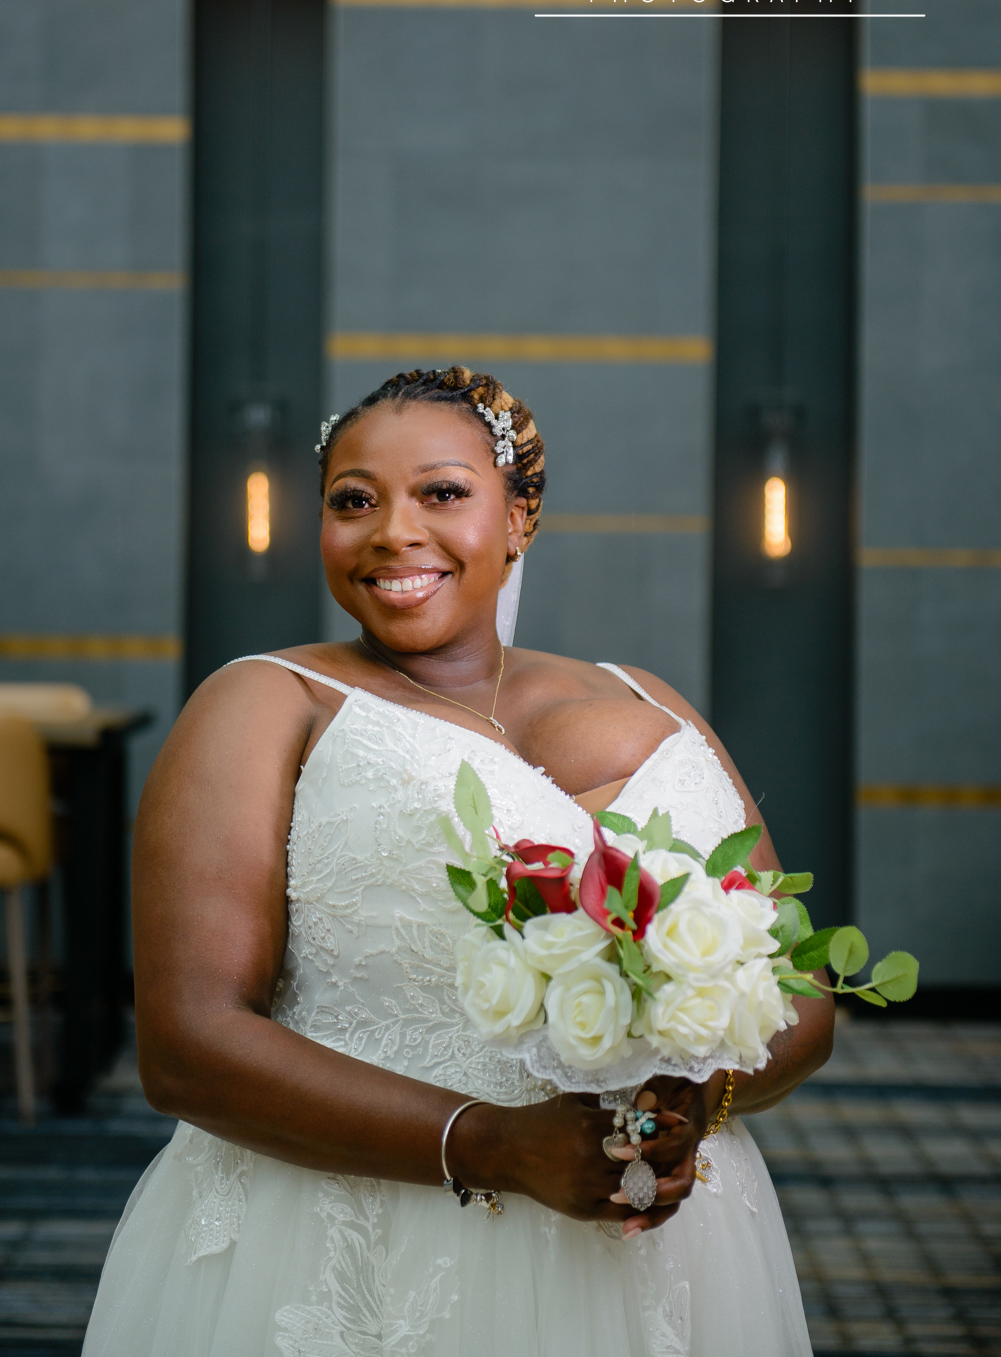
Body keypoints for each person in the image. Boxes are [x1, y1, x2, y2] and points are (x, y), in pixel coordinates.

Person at [82, 366, 831, 1357]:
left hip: (668, 1239)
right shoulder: (265, 702)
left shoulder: (645, 697)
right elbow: (187, 1043)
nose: (393, 531)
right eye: (354, 501)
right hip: (367, 1239)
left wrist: (685, 1108)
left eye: (440, 493)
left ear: (517, 518)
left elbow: (800, 991)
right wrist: (493, 1145)